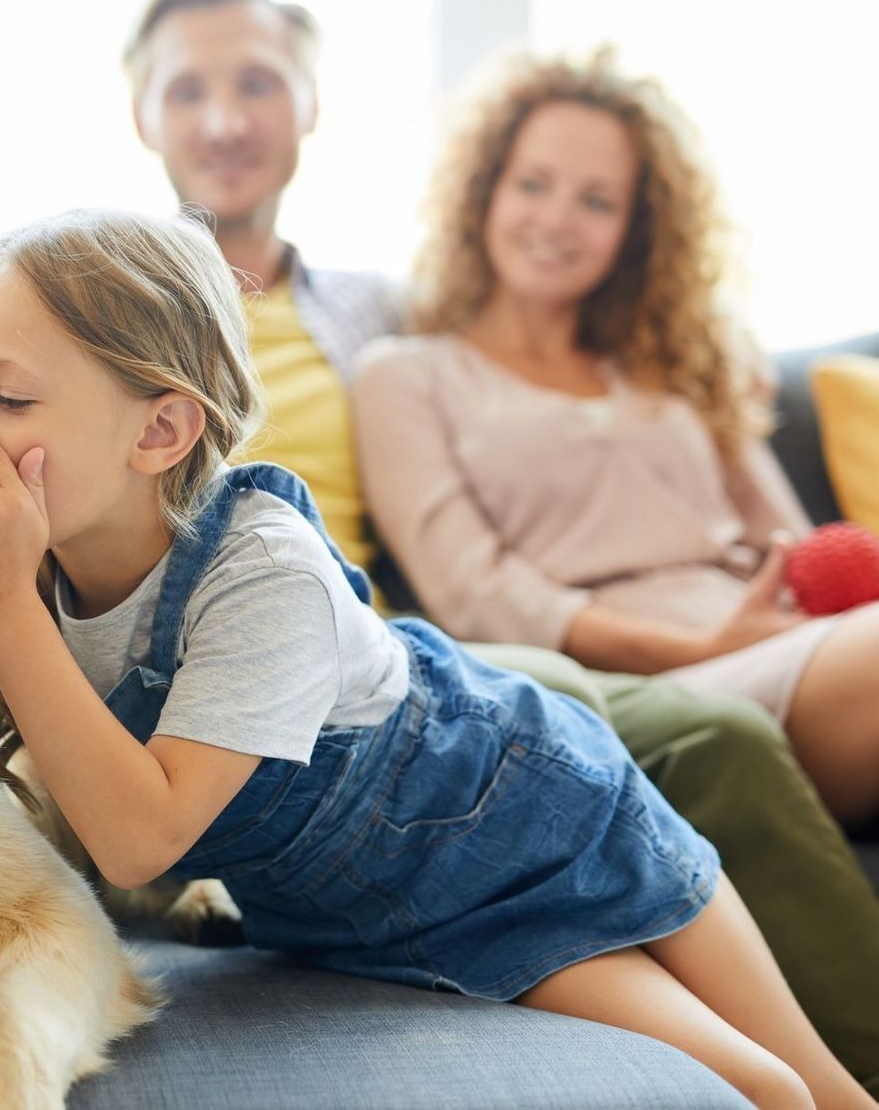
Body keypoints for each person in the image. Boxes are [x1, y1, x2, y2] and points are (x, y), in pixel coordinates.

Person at [0, 205, 873, 1109]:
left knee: (789, 1091)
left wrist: (1, 600)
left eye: (7, 398)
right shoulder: (17, 552)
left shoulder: (260, 573)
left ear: (160, 431)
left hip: (536, 827)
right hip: (351, 919)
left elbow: (138, 839)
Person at [119, 0, 879, 1091]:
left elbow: (790, 541)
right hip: (308, 653)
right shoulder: (106, 312)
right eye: (188, 90)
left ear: (312, 104)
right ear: (141, 114)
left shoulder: (376, 309)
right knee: (667, 730)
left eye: (257, 83)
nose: (225, 119)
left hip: (397, 648)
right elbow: (481, 588)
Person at [351, 50, 879, 828]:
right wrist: (702, 648)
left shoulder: (673, 364)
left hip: (782, 643)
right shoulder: (405, 375)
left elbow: (791, 546)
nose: (557, 219)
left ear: (635, 229)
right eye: (533, 184)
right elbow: (479, 596)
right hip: (644, 685)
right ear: (484, 191)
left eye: (597, 200)